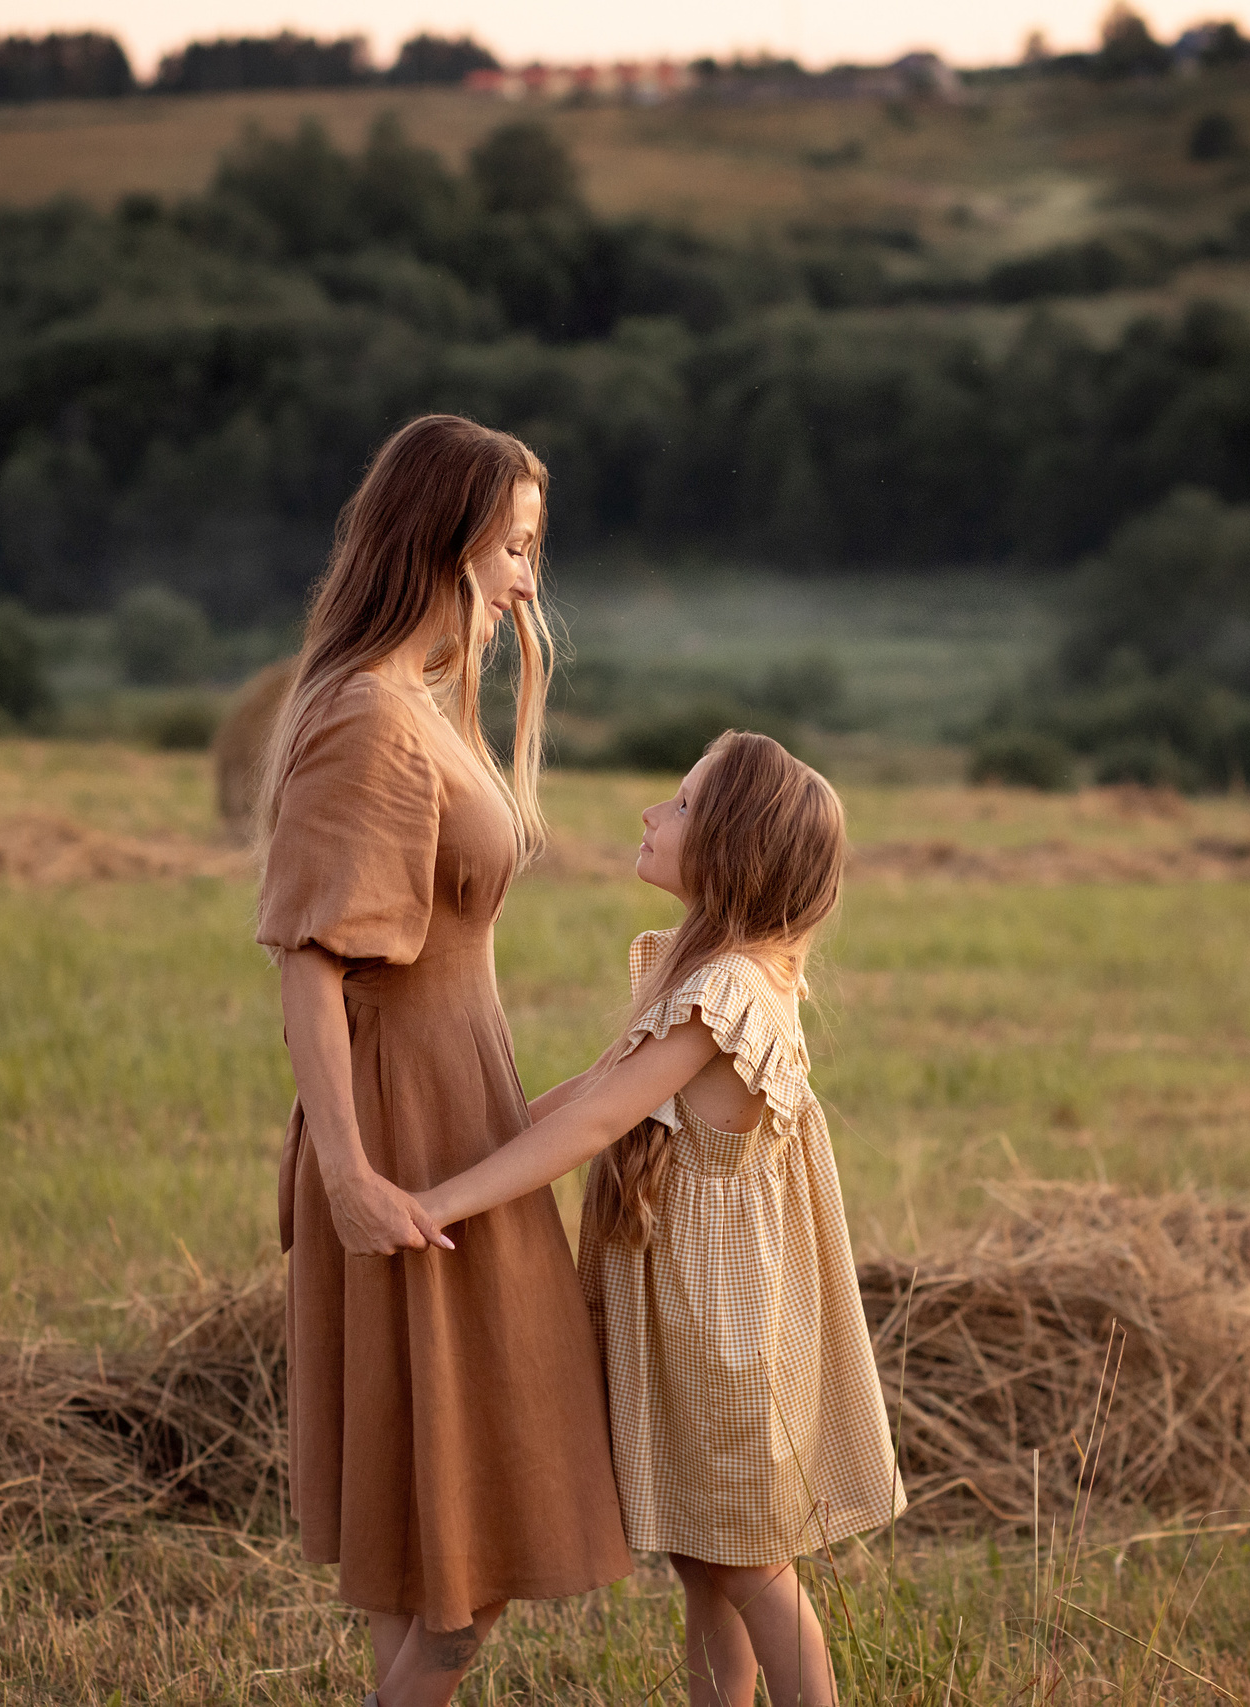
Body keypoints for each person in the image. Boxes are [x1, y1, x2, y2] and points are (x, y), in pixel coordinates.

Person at [252, 414, 630, 1707]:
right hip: (409, 1128)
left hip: (468, 1107)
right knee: (466, 1567)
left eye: (535, 547)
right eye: (513, 546)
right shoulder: (367, 716)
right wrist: (353, 1171)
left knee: (439, 1558)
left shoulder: (424, 702)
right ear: (442, 538)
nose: (529, 578)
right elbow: (312, 958)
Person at [413, 731, 905, 1707]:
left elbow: (599, 1120)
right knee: (704, 1556)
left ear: (734, 848)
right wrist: (471, 1149)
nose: (650, 814)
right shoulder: (710, 974)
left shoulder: (723, 994)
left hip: (721, 1330)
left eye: (678, 805)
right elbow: (594, 1088)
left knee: (748, 1562)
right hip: (696, 1316)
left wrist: (442, 1201)